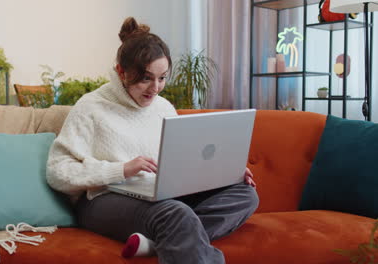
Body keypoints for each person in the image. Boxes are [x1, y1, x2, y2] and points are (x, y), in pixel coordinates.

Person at [46, 17, 259, 264]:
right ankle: (172, 236)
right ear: (121, 72)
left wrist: (225, 171)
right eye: (146, 78)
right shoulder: (91, 107)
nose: (155, 88)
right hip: (102, 200)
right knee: (175, 214)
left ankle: (154, 244)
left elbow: (184, 161)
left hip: (157, 195)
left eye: (162, 78)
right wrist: (122, 169)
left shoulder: (163, 108)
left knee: (245, 194)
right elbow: (57, 172)